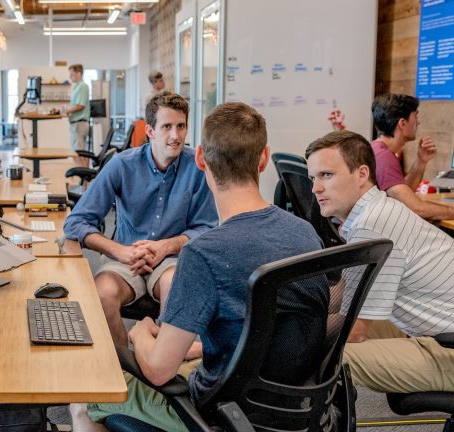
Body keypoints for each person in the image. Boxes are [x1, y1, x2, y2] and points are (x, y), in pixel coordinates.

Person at [72, 102, 326, 431]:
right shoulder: (305, 232)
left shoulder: (204, 254)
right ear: (264, 159)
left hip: (217, 413)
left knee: (81, 397)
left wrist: (140, 333)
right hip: (292, 409)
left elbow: (159, 371)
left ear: (201, 158)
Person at [63, 92, 217, 348]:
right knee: (102, 293)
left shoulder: (197, 167)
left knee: (176, 286)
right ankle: (127, 366)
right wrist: (119, 251)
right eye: (166, 127)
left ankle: (161, 364)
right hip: (125, 258)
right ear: (150, 131)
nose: (175, 136)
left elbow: (208, 228)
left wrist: (165, 247)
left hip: (171, 260)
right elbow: (76, 222)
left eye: (181, 126)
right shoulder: (122, 165)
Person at [305, 130, 454, 393]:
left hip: (445, 350)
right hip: (436, 333)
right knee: (314, 328)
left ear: (362, 174)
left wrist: (279, 341)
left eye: (326, 175)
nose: (315, 188)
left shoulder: (372, 225)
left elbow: (355, 331)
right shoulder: (376, 212)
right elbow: (344, 299)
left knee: (331, 355)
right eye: (313, 178)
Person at [370, 94, 454, 220]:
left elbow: (403, 195)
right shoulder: (383, 157)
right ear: (402, 123)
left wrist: (421, 162)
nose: (418, 122)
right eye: (415, 116)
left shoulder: (377, 149)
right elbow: (416, 208)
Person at [66, 64, 90, 152]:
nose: (70, 76)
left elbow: (81, 105)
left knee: (79, 152)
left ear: (78, 74)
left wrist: (67, 110)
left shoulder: (82, 86)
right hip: (76, 124)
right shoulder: (77, 87)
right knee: (77, 152)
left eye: (72, 74)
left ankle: (81, 166)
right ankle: (81, 166)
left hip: (80, 124)